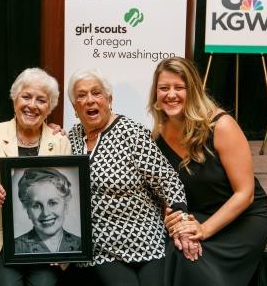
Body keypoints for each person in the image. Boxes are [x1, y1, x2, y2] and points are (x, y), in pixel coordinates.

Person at [148, 56, 267, 286]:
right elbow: (164, 191)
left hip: (242, 218)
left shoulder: (221, 126)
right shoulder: (157, 136)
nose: (171, 94)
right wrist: (178, 221)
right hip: (197, 215)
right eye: (164, 88)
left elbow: (245, 194)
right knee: (178, 251)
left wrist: (203, 230)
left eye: (179, 87)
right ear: (156, 94)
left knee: (191, 261)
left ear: (193, 90)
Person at [66, 68, 188, 286]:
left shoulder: (132, 133)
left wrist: (181, 223)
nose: (90, 100)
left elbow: (168, 182)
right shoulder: (69, 140)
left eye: (96, 93)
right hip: (99, 245)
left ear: (109, 99)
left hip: (146, 238)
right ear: (75, 107)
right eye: (81, 96)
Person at [0, 68, 71, 286]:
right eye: (26, 96)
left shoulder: (60, 142)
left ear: (49, 107)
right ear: (14, 99)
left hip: (46, 241)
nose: (32, 105)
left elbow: (69, 193)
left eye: (41, 100)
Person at [14, 168, 81, 254]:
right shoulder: (15, 248)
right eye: (36, 205)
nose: (45, 213)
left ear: (65, 206)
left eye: (53, 203)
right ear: (28, 211)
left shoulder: (81, 245)